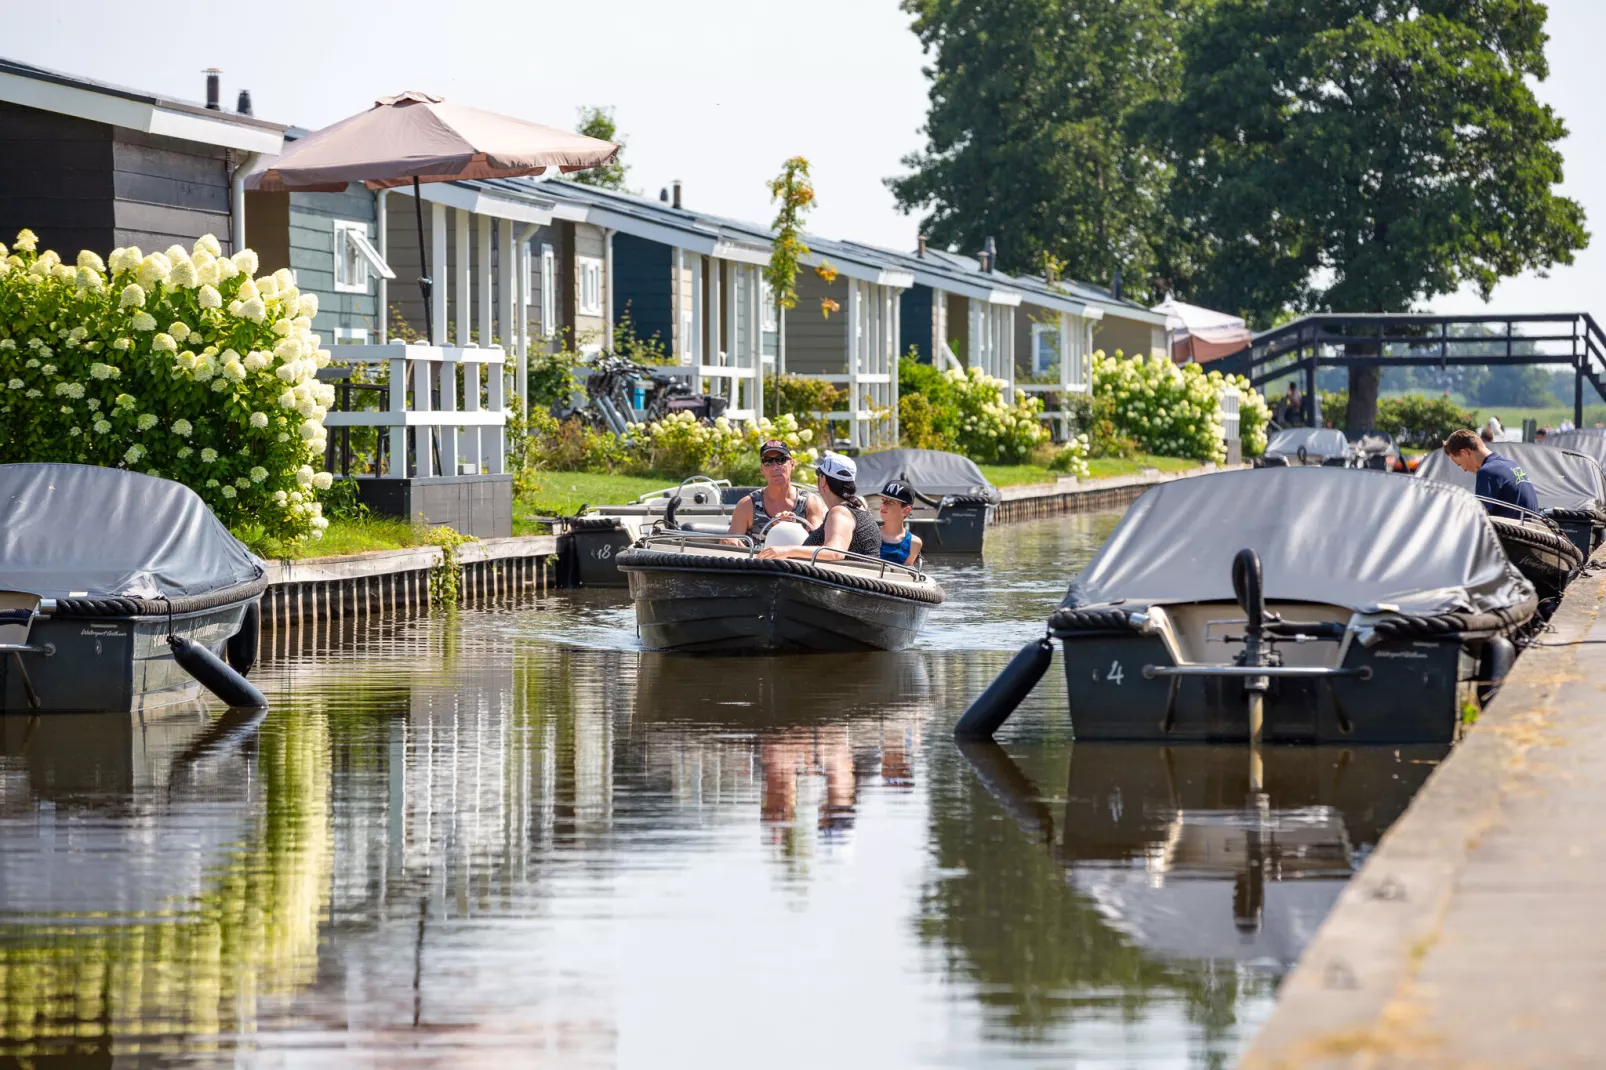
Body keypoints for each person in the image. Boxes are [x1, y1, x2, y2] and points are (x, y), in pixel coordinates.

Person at [756, 452, 881, 562]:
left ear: (823, 480)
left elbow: (835, 552)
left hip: (845, 584)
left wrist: (786, 550)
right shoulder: (859, 508)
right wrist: (795, 527)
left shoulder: (839, 512)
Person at [726, 439, 826, 542]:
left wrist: (793, 529)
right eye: (768, 461)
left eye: (781, 460)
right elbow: (729, 544)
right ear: (762, 469)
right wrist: (730, 541)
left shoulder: (810, 503)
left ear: (792, 465)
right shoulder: (747, 505)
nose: (775, 467)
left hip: (797, 558)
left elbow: (817, 545)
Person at [1444, 428, 1538, 520]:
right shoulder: (1510, 464)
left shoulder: (1487, 472)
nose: (1464, 469)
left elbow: (1478, 518)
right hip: (1534, 530)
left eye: (1460, 464)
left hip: (1515, 534)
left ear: (1464, 453)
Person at [876, 481, 924, 567]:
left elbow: (904, 575)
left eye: (890, 502)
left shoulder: (914, 543)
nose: (883, 505)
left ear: (906, 510)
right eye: (883, 500)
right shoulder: (870, 534)